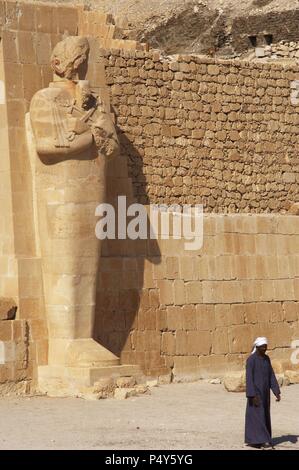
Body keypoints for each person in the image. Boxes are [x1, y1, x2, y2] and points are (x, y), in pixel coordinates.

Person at [245, 337, 281, 449]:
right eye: (262, 347)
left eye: (266, 346)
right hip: (255, 394)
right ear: (257, 347)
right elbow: (249, 378)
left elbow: (271, 375)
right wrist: (252, 395)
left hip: (265, 394)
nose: (265, 348)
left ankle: (257, 440)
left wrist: (276, 391)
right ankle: (262, 440)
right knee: (257, 416)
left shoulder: (267, 359)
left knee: (264, 416)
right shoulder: (251, 360)